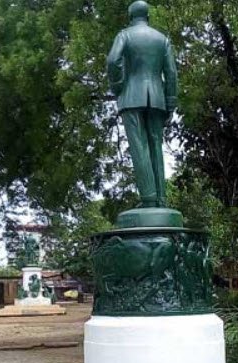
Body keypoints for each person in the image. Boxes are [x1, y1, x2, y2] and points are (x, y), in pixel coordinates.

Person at [106, 1, 178, 208]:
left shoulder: (125, 35)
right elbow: (171, 73)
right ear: (148, 16)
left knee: (139, 146)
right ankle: (160, 198)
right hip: (157, 98)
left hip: (131, 96)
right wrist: (170, 102)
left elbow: (113, 61)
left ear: (130, 16)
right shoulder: (162, 39)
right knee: (156, 144)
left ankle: (148, 198)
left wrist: (119, 85)